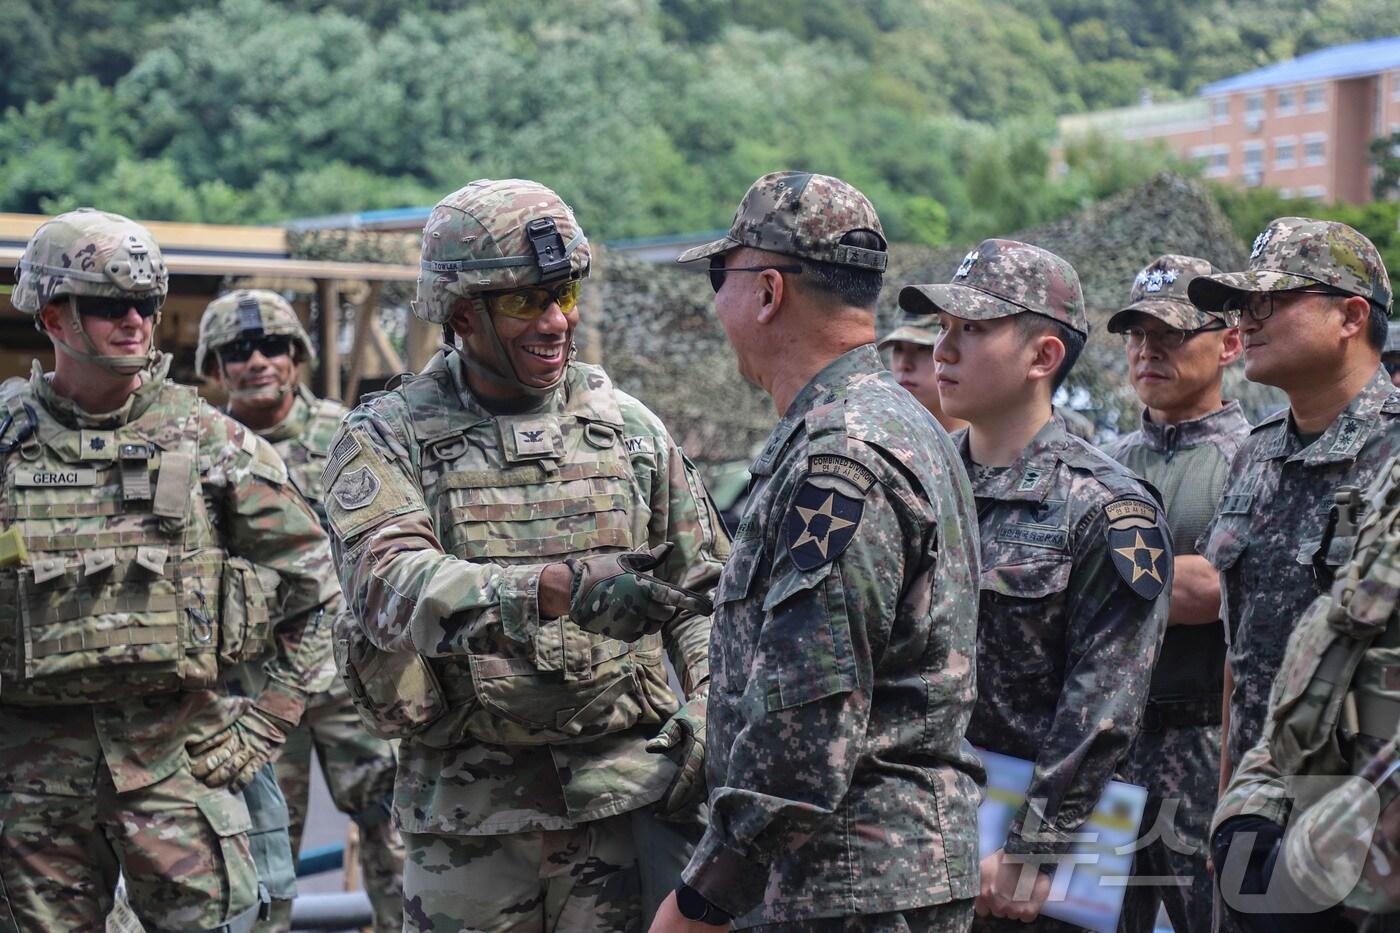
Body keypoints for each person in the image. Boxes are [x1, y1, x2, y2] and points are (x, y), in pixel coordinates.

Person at [323, 178, 727, 933]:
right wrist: (552, 589)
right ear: (461, 313)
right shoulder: (389, 437)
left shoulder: (631, 430)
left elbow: (705, 593)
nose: (554, 321)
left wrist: (707, 701)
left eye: (565, 293)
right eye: (524, 302)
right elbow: (390, 582)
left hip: (624, 809)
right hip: (469, 827)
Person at [642, 170, 983, 932]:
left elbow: (806, 721)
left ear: (767, 293)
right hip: (881, 876)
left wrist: (703, 895)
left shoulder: (841, 457)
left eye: (717, 276)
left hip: (846, 886)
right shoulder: (897, 422)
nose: (714, 302)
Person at [0, 208, 338, 930]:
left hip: (177, 766)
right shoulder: (5, 445)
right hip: (30, 787)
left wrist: (266, 725)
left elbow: (320, 586)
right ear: (54, 316)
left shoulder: (214, 443)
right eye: (108, 304)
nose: (134, 320)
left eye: (146, 304)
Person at [903, 238, 1173, 929]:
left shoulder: (1107, 507)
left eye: (975, 329)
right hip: (908, 842)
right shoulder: (917, 486)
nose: (945, 349)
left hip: (1030, 878)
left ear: (1043, 356)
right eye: (943, 327)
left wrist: (1033, 854)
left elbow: (1101, 710)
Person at [195, 290, 405, 932]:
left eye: (274, 346)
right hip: (251, 687)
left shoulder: (350, 435)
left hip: (351, 676)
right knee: (261, 853)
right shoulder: (198, 448)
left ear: (298, 356)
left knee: (397, 838)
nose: (258, 361)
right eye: (238, 350)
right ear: (216, 364)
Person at [1192, 218, 1400, 801]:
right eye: (1243, 303)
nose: (1247, 319)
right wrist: (1228, 798)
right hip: (1258, 809)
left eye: (1274, 300)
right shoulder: (1255, 454)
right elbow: (1240, 652)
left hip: (1365, 818)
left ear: (1351, 317)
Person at [1103, 255, 1250, 933]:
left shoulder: (1252, 456)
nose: (1147, 348)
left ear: (1229, 342)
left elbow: (1220, 589)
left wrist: (1095, 574)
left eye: (1169, 331)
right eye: (1136, 332)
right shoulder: (1107, 461)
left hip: (1206, 746)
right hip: (1111, 747)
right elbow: (1187, 583)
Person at [879, 313, 970, 432]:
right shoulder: (878, 436)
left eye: (924, 349)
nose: (904, 364)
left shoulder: (980, 446)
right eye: (898, 348)